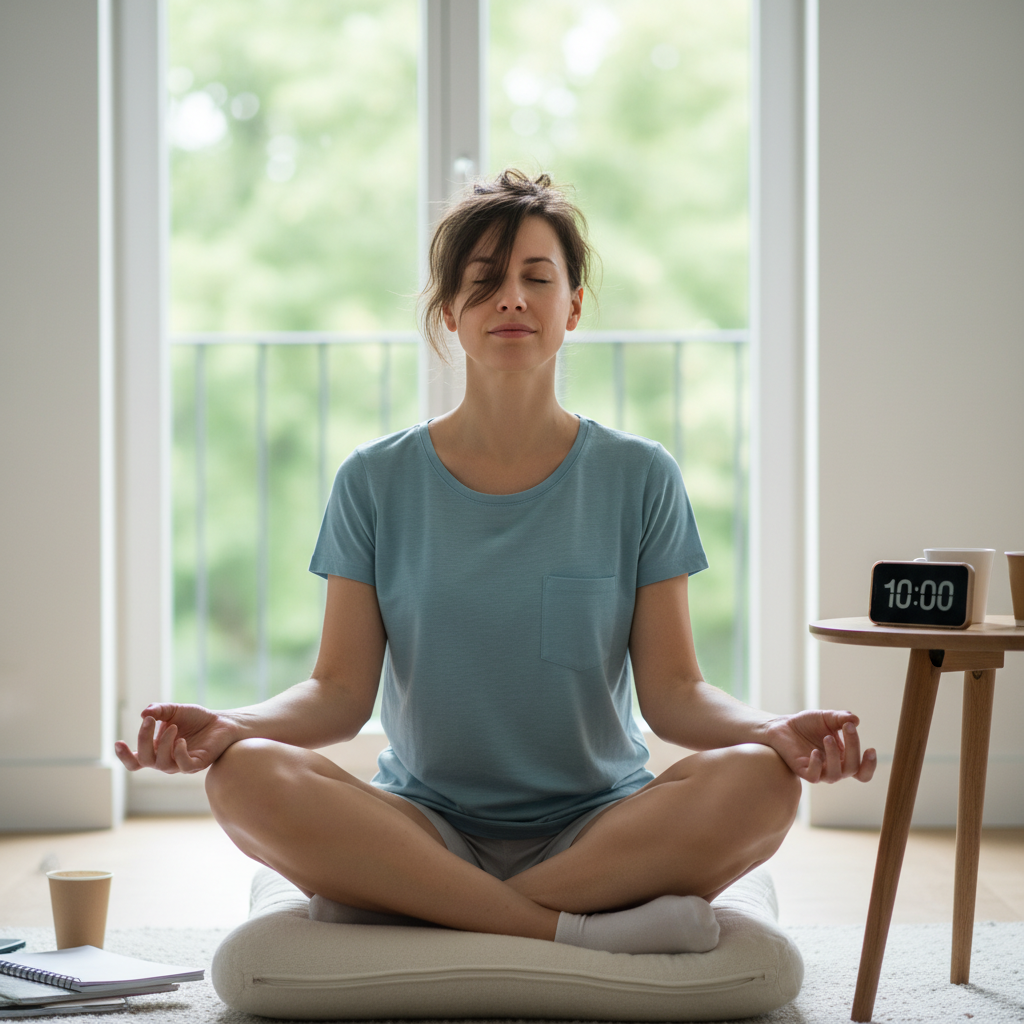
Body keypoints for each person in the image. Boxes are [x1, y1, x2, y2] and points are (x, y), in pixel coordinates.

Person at [115, 169, 876, 955]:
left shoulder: (640, 475)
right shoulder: (373, 480)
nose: (511, 298)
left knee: (761, 781)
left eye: (537, 278)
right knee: (244, 775)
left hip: (600, 830)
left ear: (572, 306)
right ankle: (569, 930)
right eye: (484, 280)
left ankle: (417, 908)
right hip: (422, 826)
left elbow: (675, 695)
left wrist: (772, 729)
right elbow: (338, 694)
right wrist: (232, 726)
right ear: (450, 311)